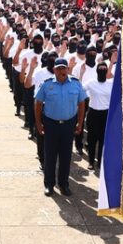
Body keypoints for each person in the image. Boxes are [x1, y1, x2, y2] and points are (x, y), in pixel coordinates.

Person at [34, 58, 87, 197]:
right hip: (51, 124)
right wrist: (38, 123)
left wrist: (80, 123)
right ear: (54, 70)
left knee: (66, 156)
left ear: (68, 70)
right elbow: (38, 103)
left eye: (64, 68)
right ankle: (49, 184)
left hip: (69, 124)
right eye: (59, 69)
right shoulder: (47, 85)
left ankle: (63, 184)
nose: (62, 71)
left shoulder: (76, 84)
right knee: (50, 155)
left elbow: (81, 104)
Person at [83, 62, 113, 170]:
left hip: (105, 114)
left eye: (104, 69)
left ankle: (100, 161)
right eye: (100, 69)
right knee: (92, 138)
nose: (102, 70)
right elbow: (81, 90)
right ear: (97, 71)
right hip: (93, 113)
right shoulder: (91, 82)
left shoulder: (111, 83)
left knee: (102, 139)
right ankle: (91, 161)